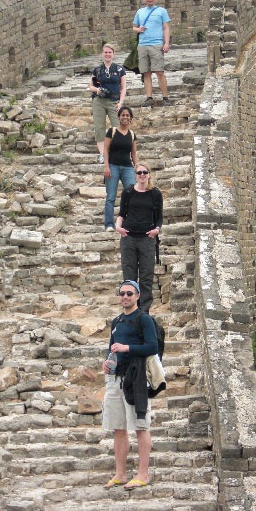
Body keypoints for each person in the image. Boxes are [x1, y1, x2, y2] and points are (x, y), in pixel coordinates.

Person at [102, 280, 158, 490]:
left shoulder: (144, 319)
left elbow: (152, 347)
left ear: (137, 296)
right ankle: (120, 474)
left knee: (141, 426)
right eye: (122, 293)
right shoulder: (116, 321)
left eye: (129, 293)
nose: (125, 296)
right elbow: (111, 348)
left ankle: (143, 474)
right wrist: (106, 362)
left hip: (136, 379)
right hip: (115, 379)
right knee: (118, 427)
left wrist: (127, 348)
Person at [115, 163, 163, 313]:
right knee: (129, 277)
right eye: (139, 172)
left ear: (149, 174)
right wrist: (118, 227)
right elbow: (122, 213)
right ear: (135, 175)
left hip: (147, 239)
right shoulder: (128, 192)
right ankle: (130, 311)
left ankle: (143, 313)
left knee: (146, 277)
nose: (142, 175)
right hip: (128, 238)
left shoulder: (156, 194)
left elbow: (159, 218)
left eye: (144, 172)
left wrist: (157, 230)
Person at [132, 0, 171, 107]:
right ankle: (149, 97)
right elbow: (134, 27)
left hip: (156, 44)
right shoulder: (140, 12)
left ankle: (165, 97)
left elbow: (166, 27)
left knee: (159, 72)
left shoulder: (162, 11)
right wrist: (138, 29)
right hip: (143, 45)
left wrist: (166, 43)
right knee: (146, 73)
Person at [89, 43, 126, 164]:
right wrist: (98, 90)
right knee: (99, 127)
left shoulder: (120, 69)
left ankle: (116, 152)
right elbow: (91, 86)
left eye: (110, 52)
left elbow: (123, 87)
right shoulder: (97, 69)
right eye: (105, 52)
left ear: (113, 54)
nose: (107, 54)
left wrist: (121, 102)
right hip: (99, 101)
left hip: (113, 101)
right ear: (102, 54)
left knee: (117, 126)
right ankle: (102, 154)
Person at [103, 105, 138, 232]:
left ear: (130, 118)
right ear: (119, 117)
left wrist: (137, 169)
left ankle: (129, 221)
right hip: (113, 166)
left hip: (128, 167)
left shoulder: (132, 134)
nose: (125, 117)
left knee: (132, 194)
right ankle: (109, 224)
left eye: (127, 115)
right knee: (111, 196)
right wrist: (106, 166)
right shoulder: (112, 131)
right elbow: (105, 150)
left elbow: (133, 154)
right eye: (123, 115)